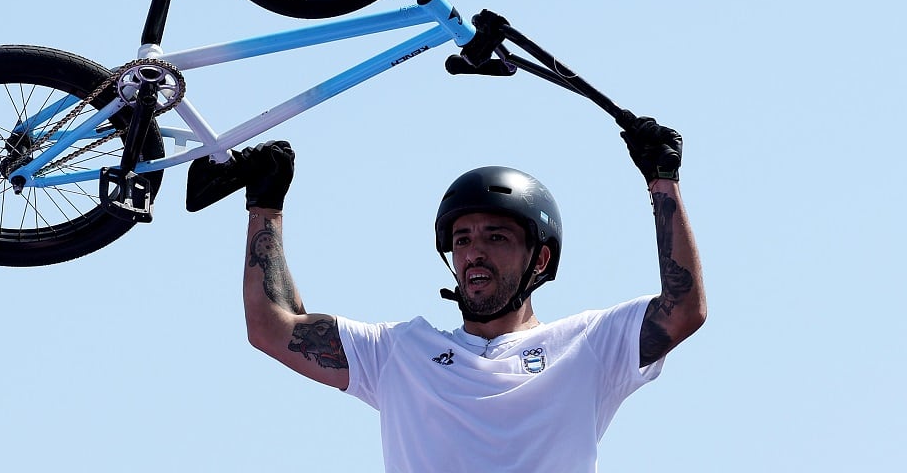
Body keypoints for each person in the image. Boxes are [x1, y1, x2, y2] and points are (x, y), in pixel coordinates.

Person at [229, 114, 705, 472]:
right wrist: (265, 204)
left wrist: (662, 180)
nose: (474, 252)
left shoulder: (589, 345)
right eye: (462, 240)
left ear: (539, 260)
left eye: (495, 237)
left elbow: (683, 309)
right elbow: (273, 327)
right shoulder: (399, 352)